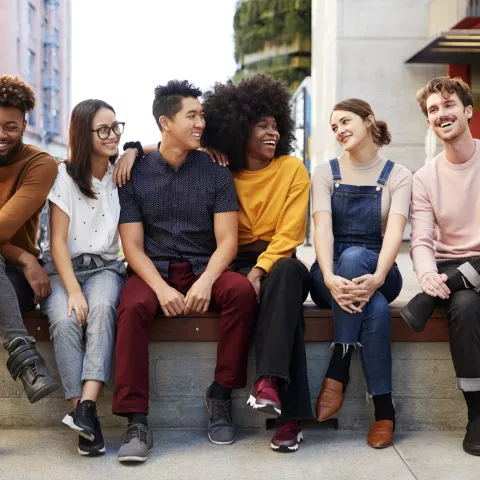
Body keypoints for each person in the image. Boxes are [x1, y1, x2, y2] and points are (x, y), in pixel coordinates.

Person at [112, 80, 257, 463]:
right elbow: (132, 247)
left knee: (242, 292)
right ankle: (136, 421)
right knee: (130, 308)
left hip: (201, 267)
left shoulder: (215, 171)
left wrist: (208, 281)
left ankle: (221, 396)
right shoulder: (134, 174)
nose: (200, 123)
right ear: (165, 122)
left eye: (202, 115)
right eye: (191, 116)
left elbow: (228, 241)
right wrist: (160, 289)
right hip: (152, 271)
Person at [200, 74, 312, 453]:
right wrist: (132, 149)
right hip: (232, 258)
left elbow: (291, 233)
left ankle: (266, 381)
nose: (273, 132)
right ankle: (288, 419)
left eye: (276, 126)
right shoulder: (220, 169)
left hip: (279, 258)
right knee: (287, 312)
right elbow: (170, 147)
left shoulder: (292, 170)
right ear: (237, 128)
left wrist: (260, 270)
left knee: (286, 277)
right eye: (261, 125)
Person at [309, 99, 412, 448]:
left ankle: (338, 368)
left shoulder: (397, 175)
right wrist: (327, 275)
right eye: (334, 126)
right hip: (330, 274)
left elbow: (396, 235)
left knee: (357, 258)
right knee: (377, 309)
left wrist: (379, 276)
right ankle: (385, 410)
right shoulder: (325, 172)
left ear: (369, 121)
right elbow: (322, 230)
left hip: (382, 271)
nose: (339, 130)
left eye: (345, 121)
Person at [41, 99, 127, 456]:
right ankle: (83, 416)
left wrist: (134, 150)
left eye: (116, 127)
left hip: (106, 267)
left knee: (103, 308)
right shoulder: (63, 176)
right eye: (104, 130)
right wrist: (74, 291)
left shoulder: (121, 173)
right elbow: (58, 243)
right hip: (64, 269)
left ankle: (86, 408)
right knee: (64, 319)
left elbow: (162, 146)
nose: (113, 135)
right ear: (83, 134)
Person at [409, 76, 480, 456]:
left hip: (468, 269)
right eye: (433, 110)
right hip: (452, 273)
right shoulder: (424, 178)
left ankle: (457, 281)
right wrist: (427, 275)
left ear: (468, 111)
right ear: (429, 123)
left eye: (449, 105)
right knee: (466, 305)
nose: (442, 113)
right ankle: (477, 415)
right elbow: (420, 240)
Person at [0, 74, 58, 404]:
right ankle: (25, 358)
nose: (1, 135)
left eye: (10, 125)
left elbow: (3, 229)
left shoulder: (40, 164)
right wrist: (23, 256)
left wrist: (21, 260)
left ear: (24, 123)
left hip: (15, 281)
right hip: (21, 264)